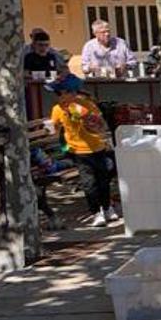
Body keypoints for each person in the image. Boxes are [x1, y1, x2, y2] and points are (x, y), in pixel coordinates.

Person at [47, 72, 118, 227]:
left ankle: (107, 208)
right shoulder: (57, 109)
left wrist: (85, 116)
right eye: (57, 94)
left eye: (62, 93)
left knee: (103, 180)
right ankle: (96, 212)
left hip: (97, 148)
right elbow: (55, 126)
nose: (59, 97)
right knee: (89, 183)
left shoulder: (86, 105)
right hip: (78, 151)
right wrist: (53, 127)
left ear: (72, 92)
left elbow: (99, 124)